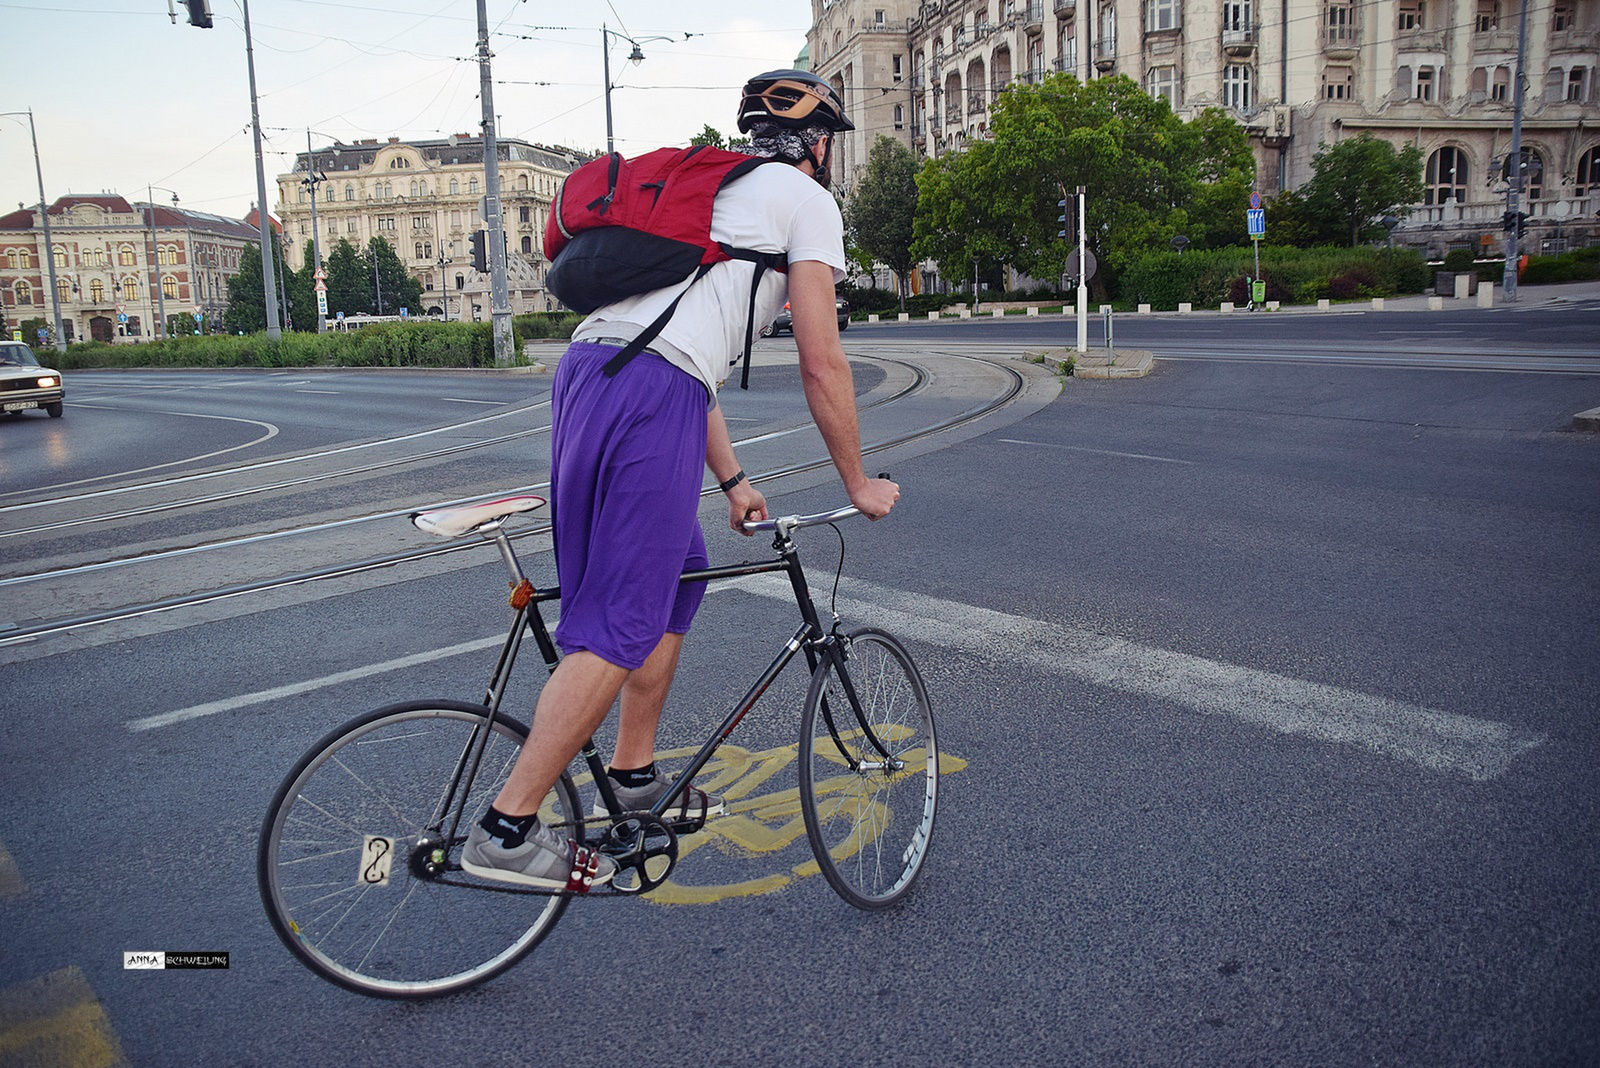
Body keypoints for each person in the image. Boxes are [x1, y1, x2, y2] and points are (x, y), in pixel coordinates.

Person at [462, 70, 901, 890]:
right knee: (620, 622)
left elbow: (679, 341)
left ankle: (632, 776)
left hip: (592, 373)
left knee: (682, 572)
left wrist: (733, 481)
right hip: (646, 387)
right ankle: (507, 829)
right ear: (821, 145)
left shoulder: (717, 199)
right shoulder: (806, 203)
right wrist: (859, 479)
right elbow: (821, 360)